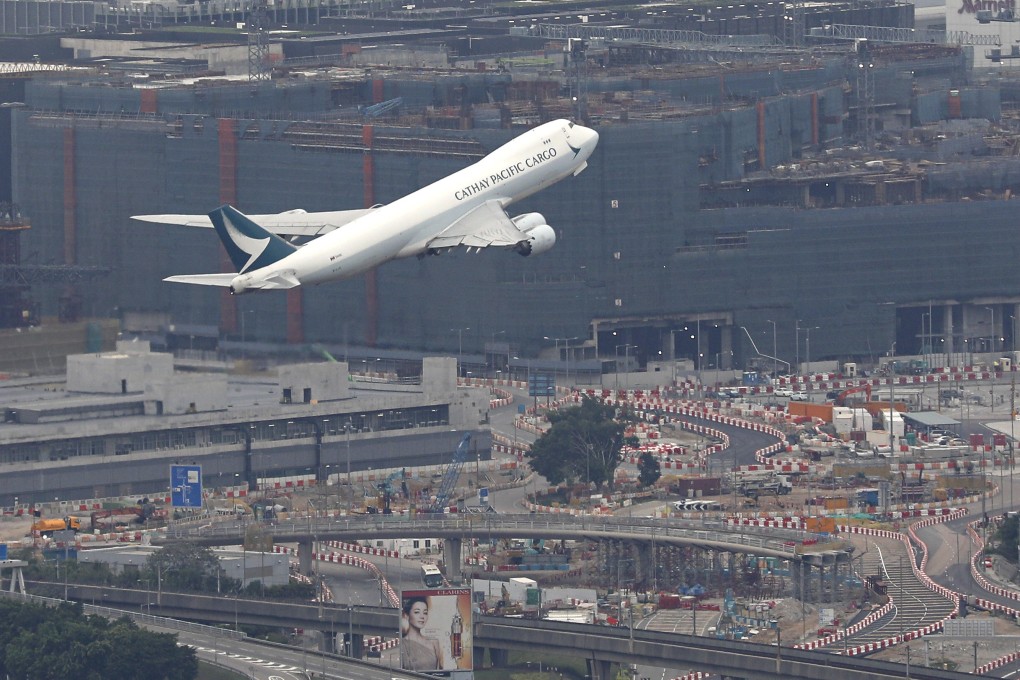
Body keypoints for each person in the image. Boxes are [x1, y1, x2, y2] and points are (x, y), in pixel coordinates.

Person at [401, 596, 444, 671]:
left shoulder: (434, 642)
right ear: (407, 616)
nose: (422, 617)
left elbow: (440, 669)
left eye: (425, 613)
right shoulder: (403, 644)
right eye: (417, 612)